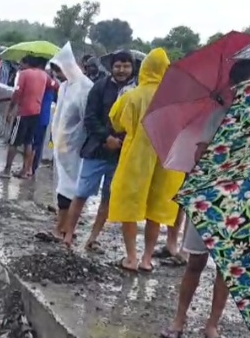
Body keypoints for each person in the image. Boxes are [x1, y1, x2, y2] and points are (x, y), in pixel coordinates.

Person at [160, 59, 250, 338]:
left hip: (242, 202)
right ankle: (180, 318)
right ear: (232, 86)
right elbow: (200, 157)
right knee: (195, 261)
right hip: (211, 199)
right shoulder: (218, 116)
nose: (248, 89)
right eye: (242, 83)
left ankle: (213, 325)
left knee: (226, 269)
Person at [106, 48, 185, 273]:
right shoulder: (176, 100)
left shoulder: (132, 95)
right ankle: (147, 259)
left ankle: (131, 257)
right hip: (167, 160)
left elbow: (116, 122)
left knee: (129, 206)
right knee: (156, 211)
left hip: (135, 160)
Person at [61, 50, 136, 251]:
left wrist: (121, 140)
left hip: (121, 154)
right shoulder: (100, 87)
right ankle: (68, 234)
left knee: (108, 198)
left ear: (132, 67)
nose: (122, 70)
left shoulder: (136, 91)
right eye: (118, 66)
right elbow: (90, 118)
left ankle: (93, 238)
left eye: (126, 66)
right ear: (111, 67)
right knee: (81, 193)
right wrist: (107, 137)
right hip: (97, 150)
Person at [46, 44, 92, 243]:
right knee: (62, 188)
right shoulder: (64, 86)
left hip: (76, 147)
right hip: (62, 145)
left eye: (59, 70)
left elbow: (86, 119)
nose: (58, 75)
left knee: (72, 190)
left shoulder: (85, 87)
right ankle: (62, 226)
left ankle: (65, 228)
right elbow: (60, 115)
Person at [0, 56, 47, 179]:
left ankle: (7, 170)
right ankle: (25, 171)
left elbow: (17, 93)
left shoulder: (24, 74)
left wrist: (10, 110)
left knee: (13, 142)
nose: (19, 67)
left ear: (27, 63)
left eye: (21, 64)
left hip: (23, 112)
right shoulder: (44, 75)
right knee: (28, 142)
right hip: (36, 112)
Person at [30, 60, 61, 178]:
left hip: (39, 116)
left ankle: (30, 168)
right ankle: (31, 167)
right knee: (36, 144)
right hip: (42, 117)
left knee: (34, 144)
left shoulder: (49, 83)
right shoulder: (51, 83)